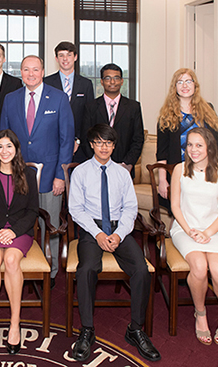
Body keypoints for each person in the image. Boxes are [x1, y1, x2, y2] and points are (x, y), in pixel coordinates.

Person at [68, 124, 160, 362]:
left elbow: (130, 208)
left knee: (141, 269)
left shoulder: (121, 173)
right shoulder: (80, 172)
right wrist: (98, 234)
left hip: (120, 228)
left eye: (108, 143)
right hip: (91, 229)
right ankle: (87, 330)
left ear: (114, 146)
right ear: (91, 145)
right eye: (99, 142)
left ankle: (136, 329)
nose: (104, 147)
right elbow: (76, 210)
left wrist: (119, 234)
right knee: (87, 268)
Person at [1, 55, 74, 288]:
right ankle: (21, 265)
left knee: (49, 223)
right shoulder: (10, 99)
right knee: (17, 221)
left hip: (51, 174)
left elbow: (66, 139)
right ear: (20, 72)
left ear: (43, 72)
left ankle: (49, 271)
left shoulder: (60, 98)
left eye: (35, 69)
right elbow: (4, 138)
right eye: (26, 69)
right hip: (17, 175)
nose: (30, 74)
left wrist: (60, 176)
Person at [0, 129, 39, 355]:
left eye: (9, 146)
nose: (4, 151)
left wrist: (13, 231)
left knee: (11, 260)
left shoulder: (29, 175)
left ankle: (14, 323)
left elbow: (33, 211)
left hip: (19, 231)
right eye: (0, 147)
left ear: (16, 149)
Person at [170, 127, 218, 346]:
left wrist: (207, 233)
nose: (193, 150)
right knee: (198, 267)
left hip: (214, 229)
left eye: (199, 145)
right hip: (184, 228)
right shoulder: (179, 169)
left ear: (209, 147)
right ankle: (201, 313)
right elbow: (175, 207)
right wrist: (190, 231)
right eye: (189, 145)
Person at [157, 68, 218, 207]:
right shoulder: (166, 116)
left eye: (188, 81)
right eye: (180, 82)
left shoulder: (208, 110)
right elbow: (161, 152)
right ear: (174, 87)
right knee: (178, 213)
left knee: (205, 212)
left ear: (195, 85)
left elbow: (217, 147)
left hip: (206, 173)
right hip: (178, 174)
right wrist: (162, 180)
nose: (184, 86)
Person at [81, 63, 143, 176]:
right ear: (102, 81)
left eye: (116, 78)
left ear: (122, 81)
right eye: (108, 78)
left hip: (124, 168)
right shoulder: (91, 107)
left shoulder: (133, 107)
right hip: (96, 168)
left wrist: (127, 163)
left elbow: (138, 139)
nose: (112, 82)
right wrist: (97, 162)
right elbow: (86, 138)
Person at [44, 41, 94, 162]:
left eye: (69, 55)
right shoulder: (46, 83)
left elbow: (89, 116)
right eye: (61, 55)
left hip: (80, 146)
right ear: (56, 58)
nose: (65, 59)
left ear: (75, 57)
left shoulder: (86, 84)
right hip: (52, 144)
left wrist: (77, 140)